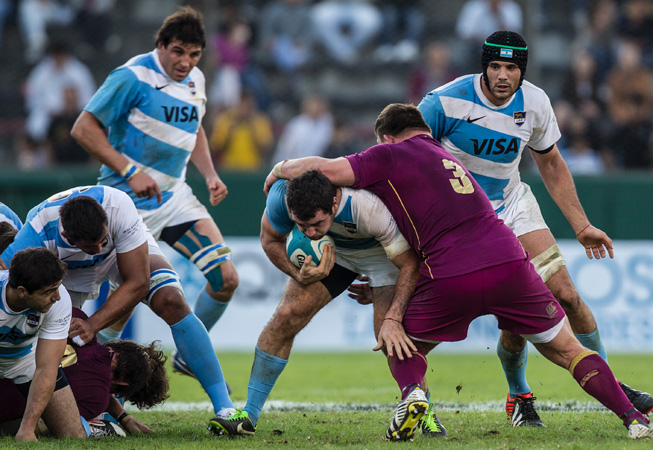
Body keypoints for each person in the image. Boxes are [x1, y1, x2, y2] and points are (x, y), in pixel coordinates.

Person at [259, 103, 653, 441]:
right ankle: (633, 419)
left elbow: (319, 168)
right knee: (569, 351)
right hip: (508, 261)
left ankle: (413, 393)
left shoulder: (388, 155)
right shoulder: (447, 156)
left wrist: (278, 169)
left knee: (397, 342)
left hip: (451, 272)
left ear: (385, 138)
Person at [416, 30, 653, 426]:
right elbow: (401, 155)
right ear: (484, 67)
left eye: (511, 67)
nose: (503, 75)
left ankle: (611, 385)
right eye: (495, 66)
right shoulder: (442, 102)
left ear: (521, 71)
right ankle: (518, 396)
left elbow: (552, 164)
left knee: (567, 296)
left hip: (511, 205)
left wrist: (582, 225)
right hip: (458, 219)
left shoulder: (536, 102)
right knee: (499, 321)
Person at [70, 6, 239, 374]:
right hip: (127, 204)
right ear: (160, 45)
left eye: (194, 54)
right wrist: (130, 170)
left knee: (226, 279)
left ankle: (188, 357)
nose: (185, 62)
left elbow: (194, 129)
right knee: (127, 296)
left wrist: (209, 173)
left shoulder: (196, 80)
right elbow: (83, 128)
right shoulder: (132, 76)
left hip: (175, 198)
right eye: (178, 51)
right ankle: (98, 379)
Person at [209, 170, 424, 437]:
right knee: (286, 315)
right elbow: (270, 240)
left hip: (382, 256)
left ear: (334, 204)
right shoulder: (281, 199)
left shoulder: (367, 206)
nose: (310, 233)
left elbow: (409, 264)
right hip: (335, 254)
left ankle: (425, 412)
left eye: (317, 224)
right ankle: (248, 417)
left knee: (387, 335)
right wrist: (296, 272)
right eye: (301, 226)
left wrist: (392, 314)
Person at [0, 185, 236, 428]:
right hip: (66, 271)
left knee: (170, 299)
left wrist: (92, 324)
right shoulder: (35, 233)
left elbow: (139, 282)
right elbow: (7, 285)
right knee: (55, 344)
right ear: (69, 238)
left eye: (102, 239)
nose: (99, 250)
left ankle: (225, 408)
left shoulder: (117, 205)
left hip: (122, 253)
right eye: (92, 247)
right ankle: (88, 409)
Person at [0, 307, 168, 435]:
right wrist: (106, 429)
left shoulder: (78, 317)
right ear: (123, 384)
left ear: (116, 344)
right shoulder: (96, 398)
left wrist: (122, 415)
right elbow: (54, 426)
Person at [0, 247, 111, 442]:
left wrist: (28, 428)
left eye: (58, 287)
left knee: (72, 434)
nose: (58, 296)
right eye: (49, 291)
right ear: (22, 292)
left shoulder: (59, 301)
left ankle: (96, 424)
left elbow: (47, 368)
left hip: (25, 359)